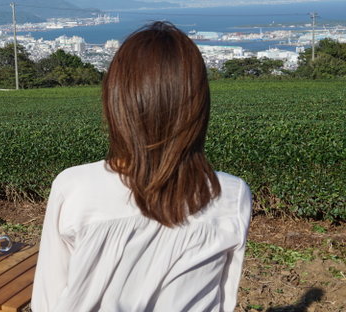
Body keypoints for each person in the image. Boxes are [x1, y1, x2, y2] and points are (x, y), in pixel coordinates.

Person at [31, 22, 251, 312]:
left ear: (116, 100)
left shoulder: (75, 187)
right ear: (198, 105)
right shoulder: (230, 194)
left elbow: (48, 301)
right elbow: (222, 298)